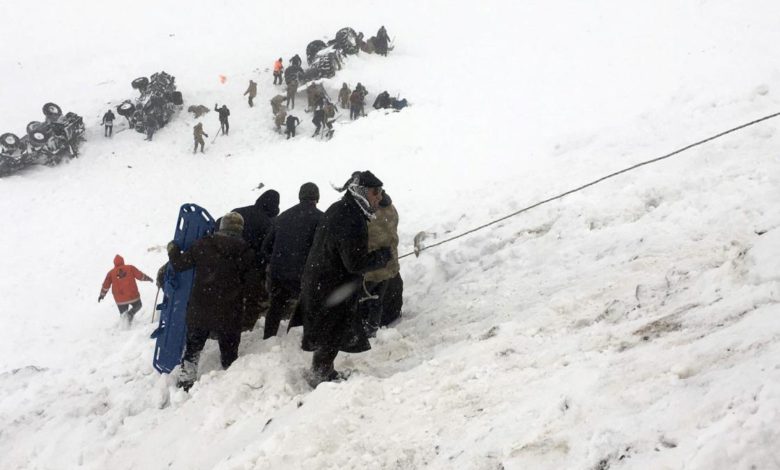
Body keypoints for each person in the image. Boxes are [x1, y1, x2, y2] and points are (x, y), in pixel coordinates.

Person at [296, 171, 392, 387]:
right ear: (361, 192)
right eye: (375, 192)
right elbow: (354, 263)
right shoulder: (351, 218)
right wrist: (381, 256)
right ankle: (321, 375)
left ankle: (322, 371)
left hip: (323, 280)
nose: (379, 197)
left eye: (381, 192)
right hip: (330, 285)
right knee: (332, 331)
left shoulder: (342, 209)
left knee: (330, 331)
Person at [167, 212, 262, 392]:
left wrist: (172, 250)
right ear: (240, 230)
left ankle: (186, 382)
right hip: (229, 312)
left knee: (193, 350)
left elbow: (179, 265)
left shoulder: (203, 244)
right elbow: (253, 287)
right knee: (229, 356)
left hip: (200, 309)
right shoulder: (246, 252)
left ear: (221, 227)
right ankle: (228, 389)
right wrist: (250, 313)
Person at [261, 183, 323, 339]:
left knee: (276, 306)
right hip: (305, 274)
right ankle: (302, 340)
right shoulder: (321, 218)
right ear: (317, 197)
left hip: (279, 272)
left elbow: (266, 247)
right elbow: (323, 249)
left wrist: (279, 260)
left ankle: (268, 337)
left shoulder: (282, 217)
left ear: (300, 196)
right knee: (309, 305)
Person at [361, 191, 400, 336]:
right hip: (389, 264)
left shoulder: (370, 214)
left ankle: (363, 327)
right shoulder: (391, 208)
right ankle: (372, 326)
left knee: (362, 295)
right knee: (378, 297)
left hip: (373, 266)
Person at [99, 255, 153, 324]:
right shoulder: (130, 268)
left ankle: (125, 327)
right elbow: (140, 276)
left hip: (120, 299)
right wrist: (148, 278)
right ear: (122, 261)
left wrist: (102, 295)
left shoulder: (111, 273)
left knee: (124, 315)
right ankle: (130, 314)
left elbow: (105, 285)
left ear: (114, 263)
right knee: (138, 305)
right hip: (132, 296)